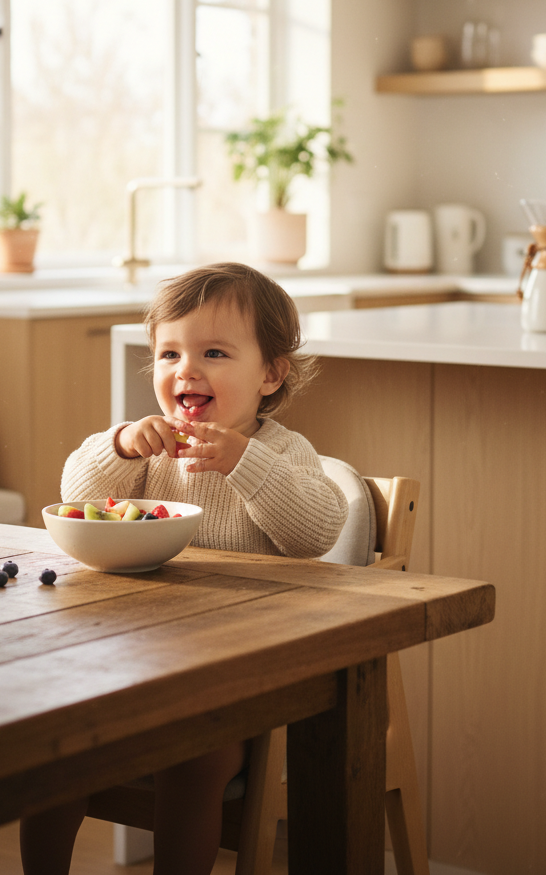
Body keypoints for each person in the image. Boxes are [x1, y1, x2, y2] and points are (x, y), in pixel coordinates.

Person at [20, 262, 348, 875]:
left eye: (214, 352)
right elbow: (74, 492)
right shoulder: (154, 449)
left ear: (271, 374)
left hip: (243, 680)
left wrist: (244, 461)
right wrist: (119, 445)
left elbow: (318, 530)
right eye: (169, 353)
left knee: (192, 760)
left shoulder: (281, 452)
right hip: (142, 664)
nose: (185, 370)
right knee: (55, 744)